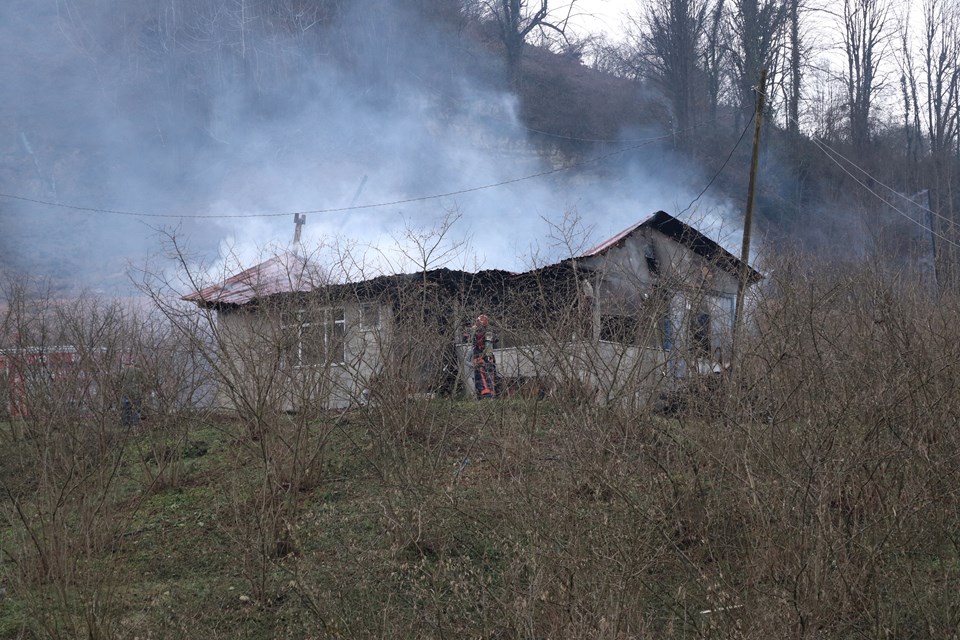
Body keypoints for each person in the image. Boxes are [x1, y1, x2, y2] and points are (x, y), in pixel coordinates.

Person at [469, 314, 497, 399]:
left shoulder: (488, 332)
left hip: (486, 355)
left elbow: (493, 341)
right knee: (482, 374)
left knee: (487, 374)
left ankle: (488, 393)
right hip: (481, 355)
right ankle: (485, 393)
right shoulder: (476, 330)